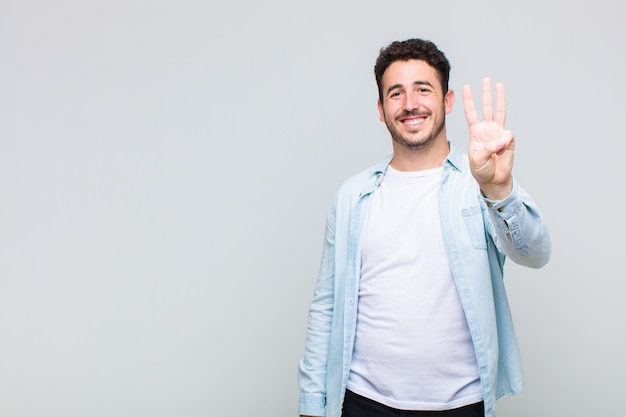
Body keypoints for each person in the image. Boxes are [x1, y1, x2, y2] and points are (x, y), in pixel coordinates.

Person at [297, 38, 551, 417]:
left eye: (422, 89)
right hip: (363, 402)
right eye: (395, 93)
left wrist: (498, 188)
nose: (410, 104)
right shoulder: (352, 195)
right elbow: (326, 305)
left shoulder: (479, 180)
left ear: (446, 101)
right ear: (381, 110)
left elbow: (535, 253)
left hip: (461, 404)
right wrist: (312, 405)